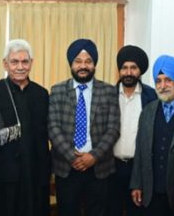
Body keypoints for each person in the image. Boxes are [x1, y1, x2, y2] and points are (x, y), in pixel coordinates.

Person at [48, 38, 120, 216]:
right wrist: (73, 157)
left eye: (88, 61)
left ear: (94, 64)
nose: (83, 66)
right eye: (78, 61)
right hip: (67, 167)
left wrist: (93, 156)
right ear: (71, 64)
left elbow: (113, 129)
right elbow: (53, 127)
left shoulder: (109, 91)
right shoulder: (57, 90)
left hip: (99, 168)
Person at [0, 39, 50, 216]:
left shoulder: (42, 94)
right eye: (14, 62)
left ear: (31, 63)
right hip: (3, 175)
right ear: (5, 64)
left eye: (24, 61)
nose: (20, 67)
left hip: (36, 174)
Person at [130, 55, 174, 216]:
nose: (162, 86)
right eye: (158, 81)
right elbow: (140, 150)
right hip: (151, 191)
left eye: (168, 80)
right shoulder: (148, 110)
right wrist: (137, 184)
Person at [108, 45, 156, 216]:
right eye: (124, 68)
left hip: (139, 169)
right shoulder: (107, 94)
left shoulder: (152, 97)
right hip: (110, 167)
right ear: (119, 70)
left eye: (133, 68)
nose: (128, 72)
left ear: (140, 70)